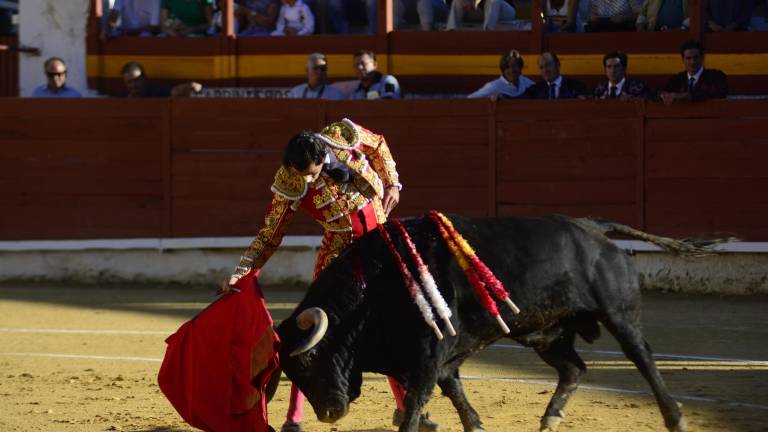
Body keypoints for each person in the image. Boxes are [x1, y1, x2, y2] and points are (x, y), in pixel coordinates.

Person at [223, 120, 437, 432]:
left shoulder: (342, 136)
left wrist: (393, 184)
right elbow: (270, 235)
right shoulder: (290, 180)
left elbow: (378, 144)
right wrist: (241, 272)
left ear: (324, 155)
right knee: (312, 335)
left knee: (394, 325)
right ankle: (293, 417)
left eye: (312, 172)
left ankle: (407, 409)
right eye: (302, 175)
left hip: (382, 245)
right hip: (341, 256)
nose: (308, 180)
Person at [659, 39, 728, 105]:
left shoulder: (716, 76)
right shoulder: (678, 78)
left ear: (702, 58)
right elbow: (657, 93)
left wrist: (685, 96)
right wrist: (662, 95)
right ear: (683, 60)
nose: (692, 62)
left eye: (695, 58)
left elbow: (719, 93)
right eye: (688, 58)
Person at [468, 49, 534, 99]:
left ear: (520, 68)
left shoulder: (525, 81)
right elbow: (470, 99)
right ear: (503, 70)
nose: (511, 70)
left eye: (514, 66)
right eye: (507, 67)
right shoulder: (494, 86)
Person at [120, 61, 202, 97]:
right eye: (129, 82)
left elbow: (175, 91)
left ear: (144, 78)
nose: (134, 85)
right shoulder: (122, 97)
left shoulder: (155, 92)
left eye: (136, 80)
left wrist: (191, 85)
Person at [446, 0, 517, 31]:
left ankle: (487, 34)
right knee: (457, 1)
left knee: (493, 0)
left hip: (503, 11)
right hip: (480, 11)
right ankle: (451, 32)